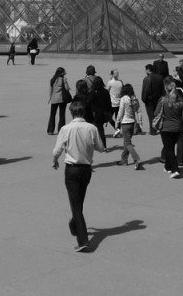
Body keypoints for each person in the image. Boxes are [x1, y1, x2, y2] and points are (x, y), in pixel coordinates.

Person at [52, 99, 105, 252]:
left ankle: (83, 240)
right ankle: (75, 223)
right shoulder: (91, 128)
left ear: (71, 112)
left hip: (72, 169)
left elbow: (57, 150)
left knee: (75, 204)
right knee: (79, 200)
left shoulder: (66, 129)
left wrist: (55, 159)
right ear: (83, 112)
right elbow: (100, 147)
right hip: (86, 169)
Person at [154, 80, 183, 179]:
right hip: (177, 128)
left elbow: (156, 113)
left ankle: (175, 169)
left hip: (165, 128)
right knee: (170, 147)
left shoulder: (163, 101)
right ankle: (167, 166)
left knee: (169, 149)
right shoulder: (181, 103)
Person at [114, 83, 144, 170]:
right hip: (132, 123)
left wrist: (117, 123)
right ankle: (124, 160)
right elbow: (139, 111)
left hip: (125, 123)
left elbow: (120, 112)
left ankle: (136, 159)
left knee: (127, 143)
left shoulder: (124, 99)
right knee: (127, 142)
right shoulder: (134, 98)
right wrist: (140, 123)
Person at [141, 64, 165, 135]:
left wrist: (144, 99)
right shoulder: (160, 77)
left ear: (148, 70)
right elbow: (162, 89)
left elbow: (145, 90)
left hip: (150, 100)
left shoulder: (147, 78)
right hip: (158, 99)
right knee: (159, 114)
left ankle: (153, 130)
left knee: (151, 115)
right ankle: (160, 128)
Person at [47, 67, 70, 135]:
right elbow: (67, 89)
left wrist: (50, 97)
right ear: (62, 73)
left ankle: (50, 130)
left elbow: (50, 90)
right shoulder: (63, 79)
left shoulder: (53, 79)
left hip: (54, 99)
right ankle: (61, 129)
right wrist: (66, 82)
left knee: (52, 115)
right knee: (62, 115)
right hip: (62, 99)